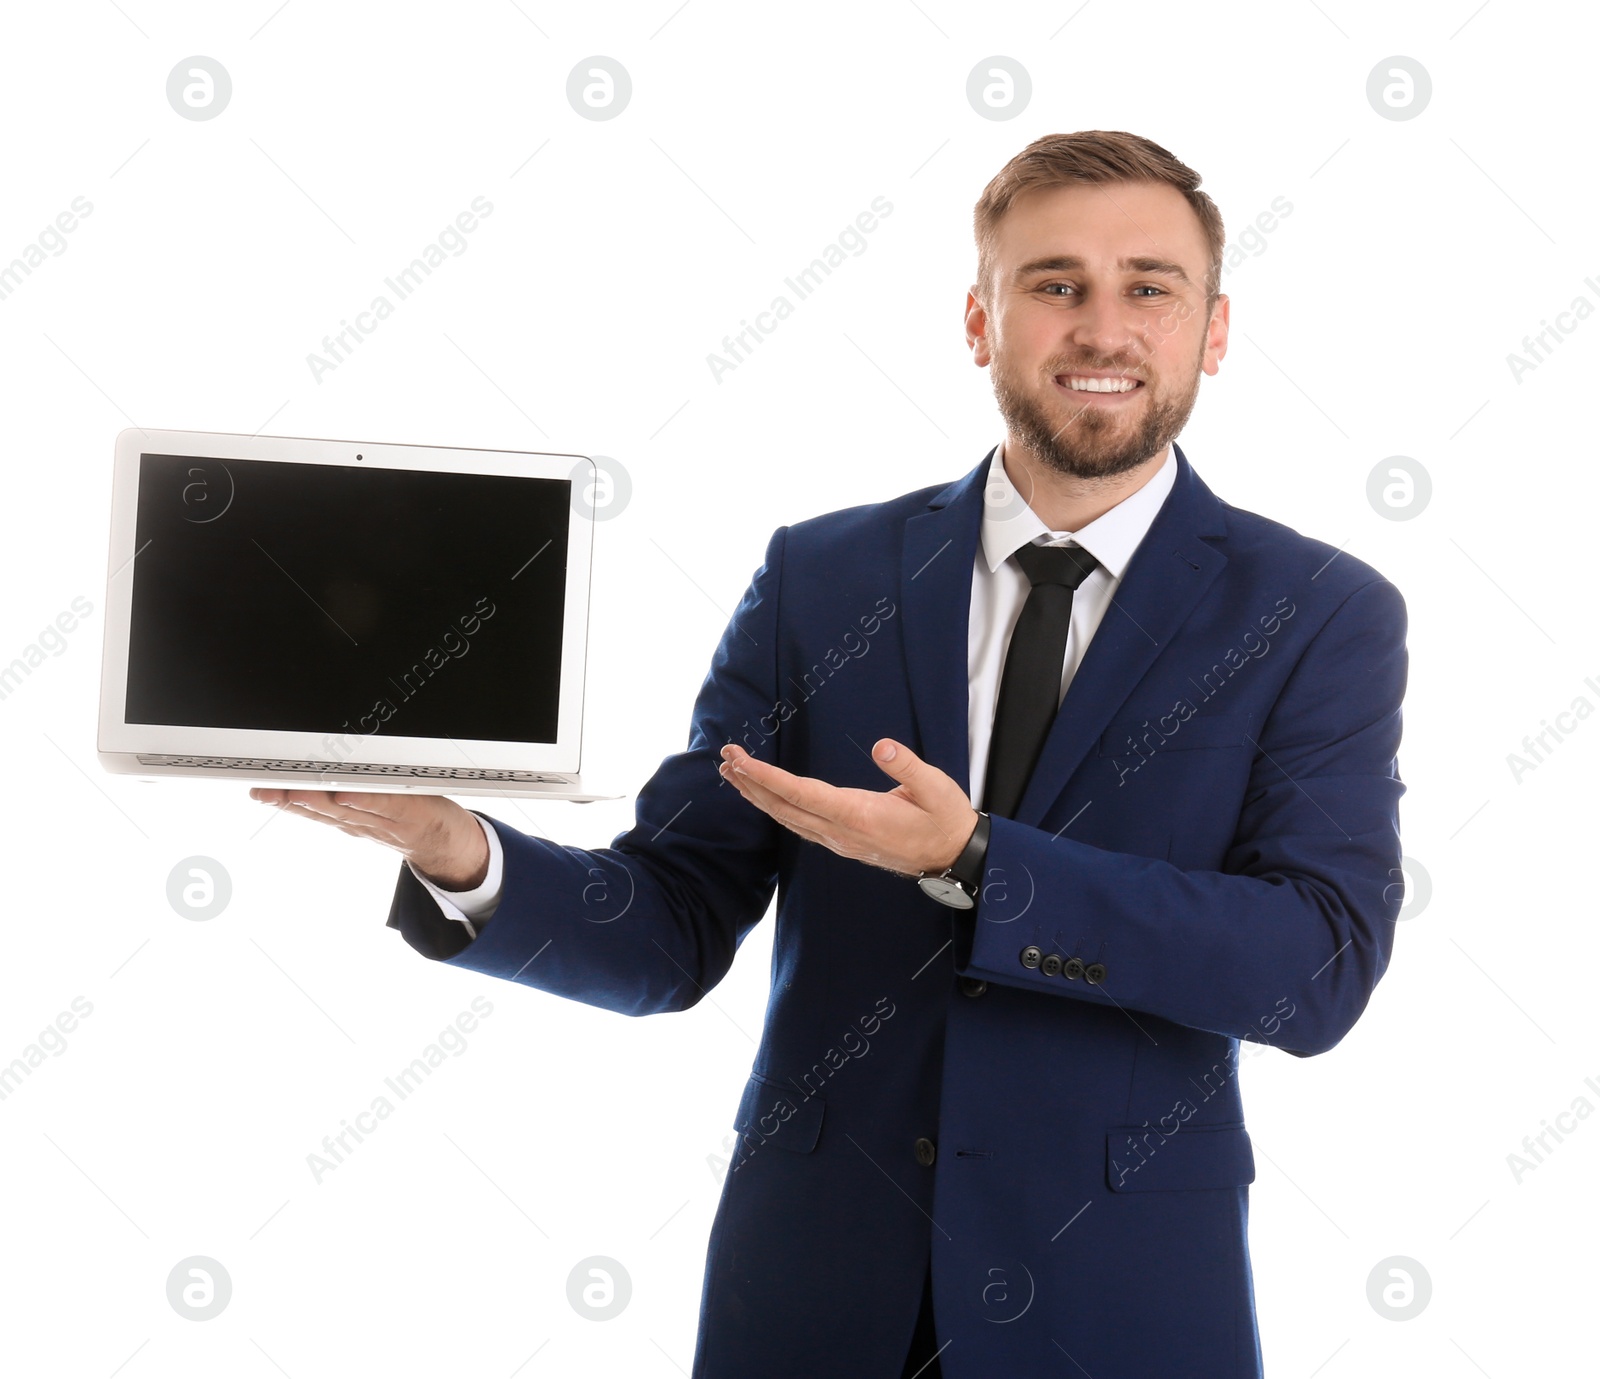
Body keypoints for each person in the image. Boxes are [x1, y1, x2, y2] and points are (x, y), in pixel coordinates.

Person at [253, 130, 1408, 1379]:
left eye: (1150, 287)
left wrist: (976, 859)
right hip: (810, 1295)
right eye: (1054, 283)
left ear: (1214, 331)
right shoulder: (825, 577)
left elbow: (1316, 967)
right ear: (980, 319)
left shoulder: (1316, 610)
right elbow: (671, 925)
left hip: (1118, 1304)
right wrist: (454, 847)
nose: (1102, 327)